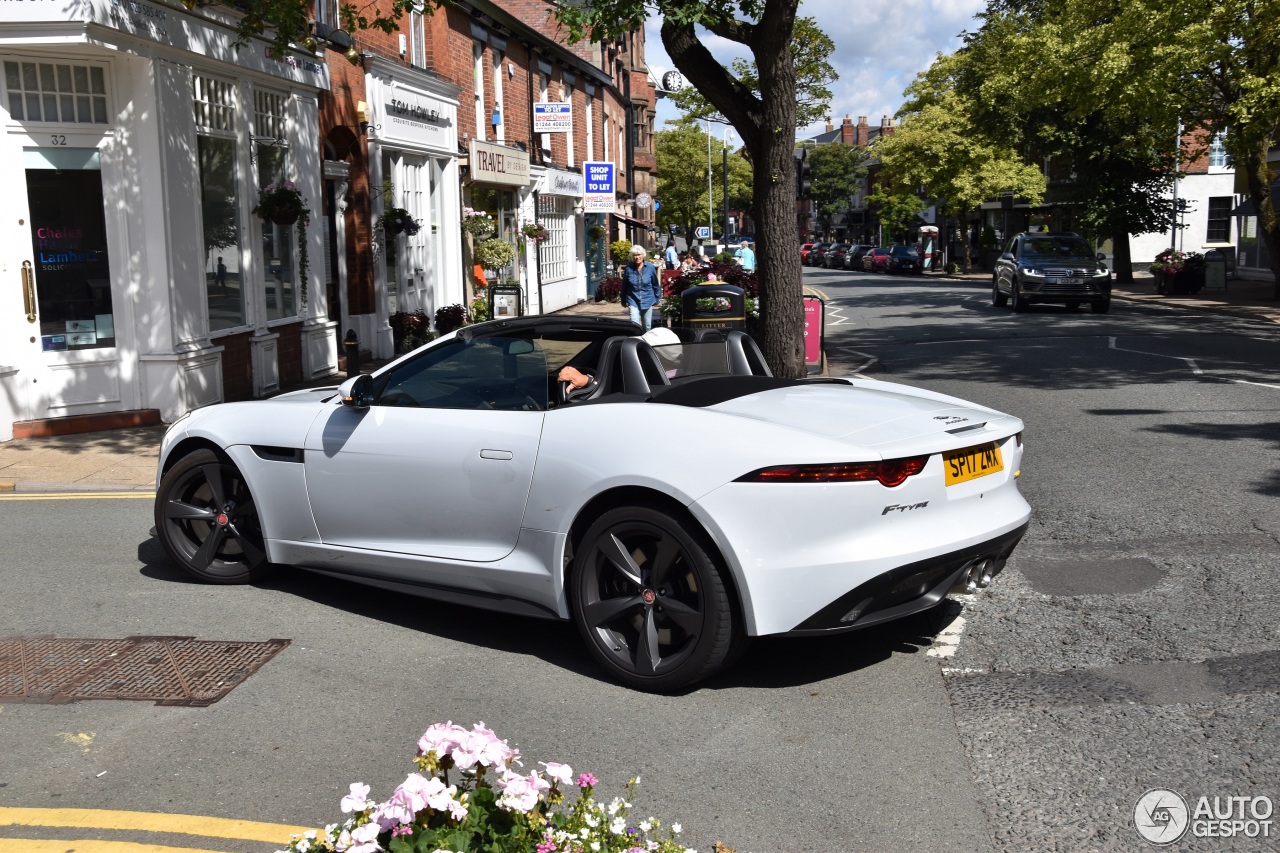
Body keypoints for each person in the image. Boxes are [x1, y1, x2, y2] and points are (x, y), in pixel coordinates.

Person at [621, 243, 662, 331]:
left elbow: (655, 284)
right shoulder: (628, 269)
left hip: (647, 299)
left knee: (647, 326)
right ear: (632, 256)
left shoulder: (650, 267)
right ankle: (636, 342)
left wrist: (657, 298)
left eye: (639, 254)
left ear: (643, 255)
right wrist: (623, 299)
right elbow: (624, 285)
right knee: (634, 323)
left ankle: (646, 343)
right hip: (633, 300)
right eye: (635, 255)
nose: (637, 257)